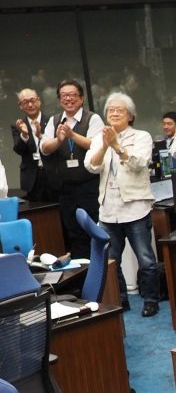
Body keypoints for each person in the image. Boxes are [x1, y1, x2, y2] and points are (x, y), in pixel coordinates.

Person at [85, 93, 161, 317]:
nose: (114, 113)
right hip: (109, 210)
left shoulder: (142, 136)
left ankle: (150, 300)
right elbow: (90, 165)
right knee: (111, 261)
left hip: (135, 207)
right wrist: (105, 146)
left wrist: (117, 146)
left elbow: (139, 163)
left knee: (145, 259)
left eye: (120, 110)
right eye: (110, 111)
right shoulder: (101, 137)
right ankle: (121, 300)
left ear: (131, 116)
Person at [39, 79, 103, 259]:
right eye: (64, 96)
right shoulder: (55, 120)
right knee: (74, 233)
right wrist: (59, 140)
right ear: (60, 100)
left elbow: (95, 144)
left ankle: (101, 273)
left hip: (89, 186)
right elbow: (44, 147)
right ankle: (82, 279)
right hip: (66, 189)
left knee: (94, 230)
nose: (68, 99)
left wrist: (72, 135)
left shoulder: (92, 118)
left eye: (72, 95)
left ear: (81, 98)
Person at [11, 88, 55, 202]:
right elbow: (18, 149)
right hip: (32, 178)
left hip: (52, 173)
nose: (30, 105)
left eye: (32, 100)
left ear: (39, 101)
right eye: (25, 102)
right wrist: (24, 135)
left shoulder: (52, 121)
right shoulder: (18, 125)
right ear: (20, 106)